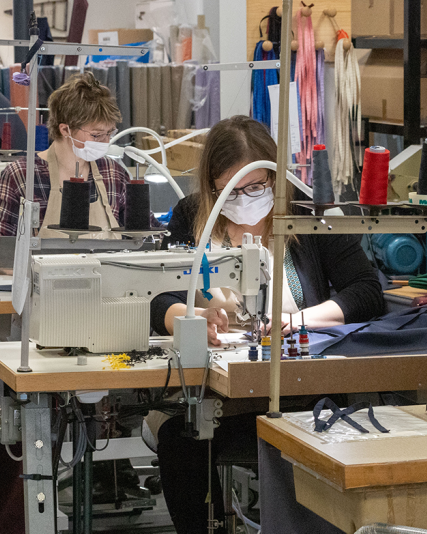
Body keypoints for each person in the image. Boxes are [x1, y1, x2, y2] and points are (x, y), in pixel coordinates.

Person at [149, 115, 385, 534]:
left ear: (277, 179)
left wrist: (297, 320)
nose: (244, 199)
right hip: (221, 397)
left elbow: (365, 291)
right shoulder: (191, 217)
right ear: (211, 188)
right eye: (230, 192)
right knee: (180, 443)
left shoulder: (308, 216)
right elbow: (157, 295)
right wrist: (191, 318)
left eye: (256, 187)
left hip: (300, 392)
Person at [0, 72, 128, 238]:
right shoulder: (22, 176)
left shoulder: (114, 174)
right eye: (96, 135)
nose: (105, 141)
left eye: (110, 133)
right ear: (65, 129)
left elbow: (145, 234)